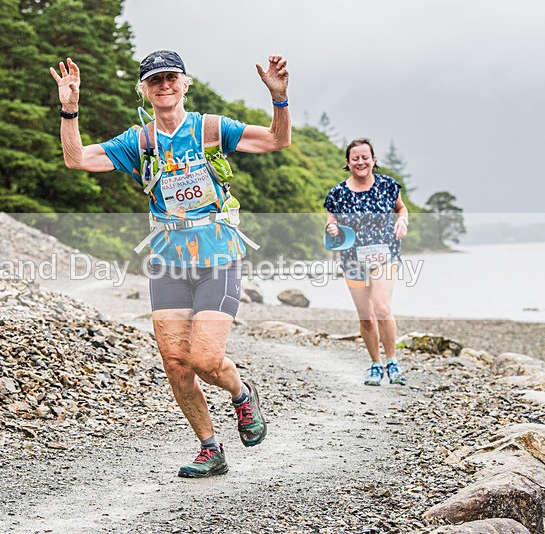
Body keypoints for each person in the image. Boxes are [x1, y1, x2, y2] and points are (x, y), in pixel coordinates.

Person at [50, 50, 291, 477]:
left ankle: (240, 392)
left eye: (171, 78)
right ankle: (210, 448)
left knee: (205, 359)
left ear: (185, 83)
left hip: (218, 254)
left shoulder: (210, 128)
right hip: (167, 260)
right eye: (154, 80)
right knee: (176, 364)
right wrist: (70, 109)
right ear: (143, 89)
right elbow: (77, 159)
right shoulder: (139, 142)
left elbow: (276, 140)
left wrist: (279, 98)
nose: (164, 85)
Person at [324, 138, 409, 386]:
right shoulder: (337, 193)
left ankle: (392, 361)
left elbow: (401, 209)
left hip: (385, 254)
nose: (360, 162)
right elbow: (331, 221)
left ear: (373, 160)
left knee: (382, 308)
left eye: (365, 157)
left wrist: (402, 221)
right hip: (353, 258)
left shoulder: (388, 186)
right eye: (355, 158)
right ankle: (375, 364)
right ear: (348, 163)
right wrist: (331, 228)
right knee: (366, 318)